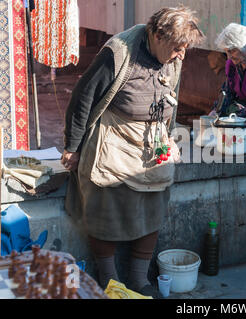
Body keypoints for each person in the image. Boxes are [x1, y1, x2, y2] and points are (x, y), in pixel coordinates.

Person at [61, 6, 204, 296]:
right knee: (105, 207)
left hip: (152, 141)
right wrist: (72, 148)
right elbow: (82, 97)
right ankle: (110, 279)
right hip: (115, 137)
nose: (181, 55)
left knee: (154, 207)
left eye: (184, 48)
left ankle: (139, 279)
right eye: (177, 48)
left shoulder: (173, 56)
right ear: (157, 35)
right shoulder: (119, 52)